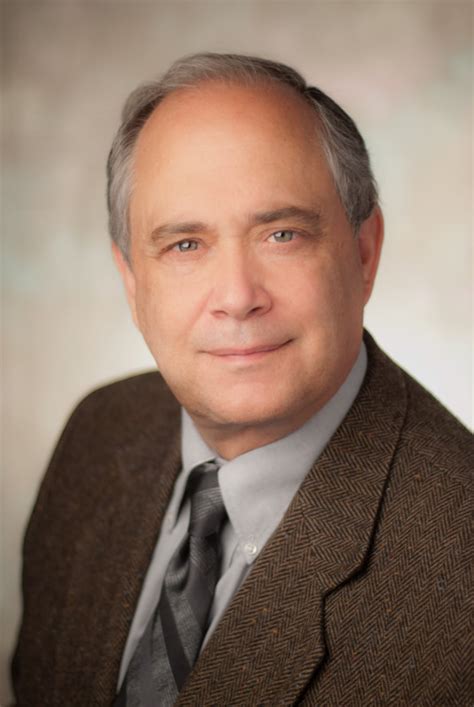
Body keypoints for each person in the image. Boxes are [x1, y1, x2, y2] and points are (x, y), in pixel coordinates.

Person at [12, 53, 472, 706]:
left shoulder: (458, 566)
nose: (236, 296)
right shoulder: (100, 433)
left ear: (364, 252)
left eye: (282, 234)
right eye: (185, 245)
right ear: (132, 282)